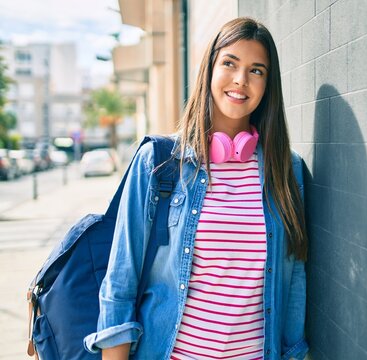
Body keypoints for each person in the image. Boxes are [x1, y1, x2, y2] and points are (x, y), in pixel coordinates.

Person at [83, 17, 309, 360]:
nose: (240, 80)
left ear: (268, 85)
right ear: (210, 70)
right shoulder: (159, 163)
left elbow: (294, 281)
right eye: (229, 63)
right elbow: (120, 281)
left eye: (256, 70)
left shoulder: (286, 171)